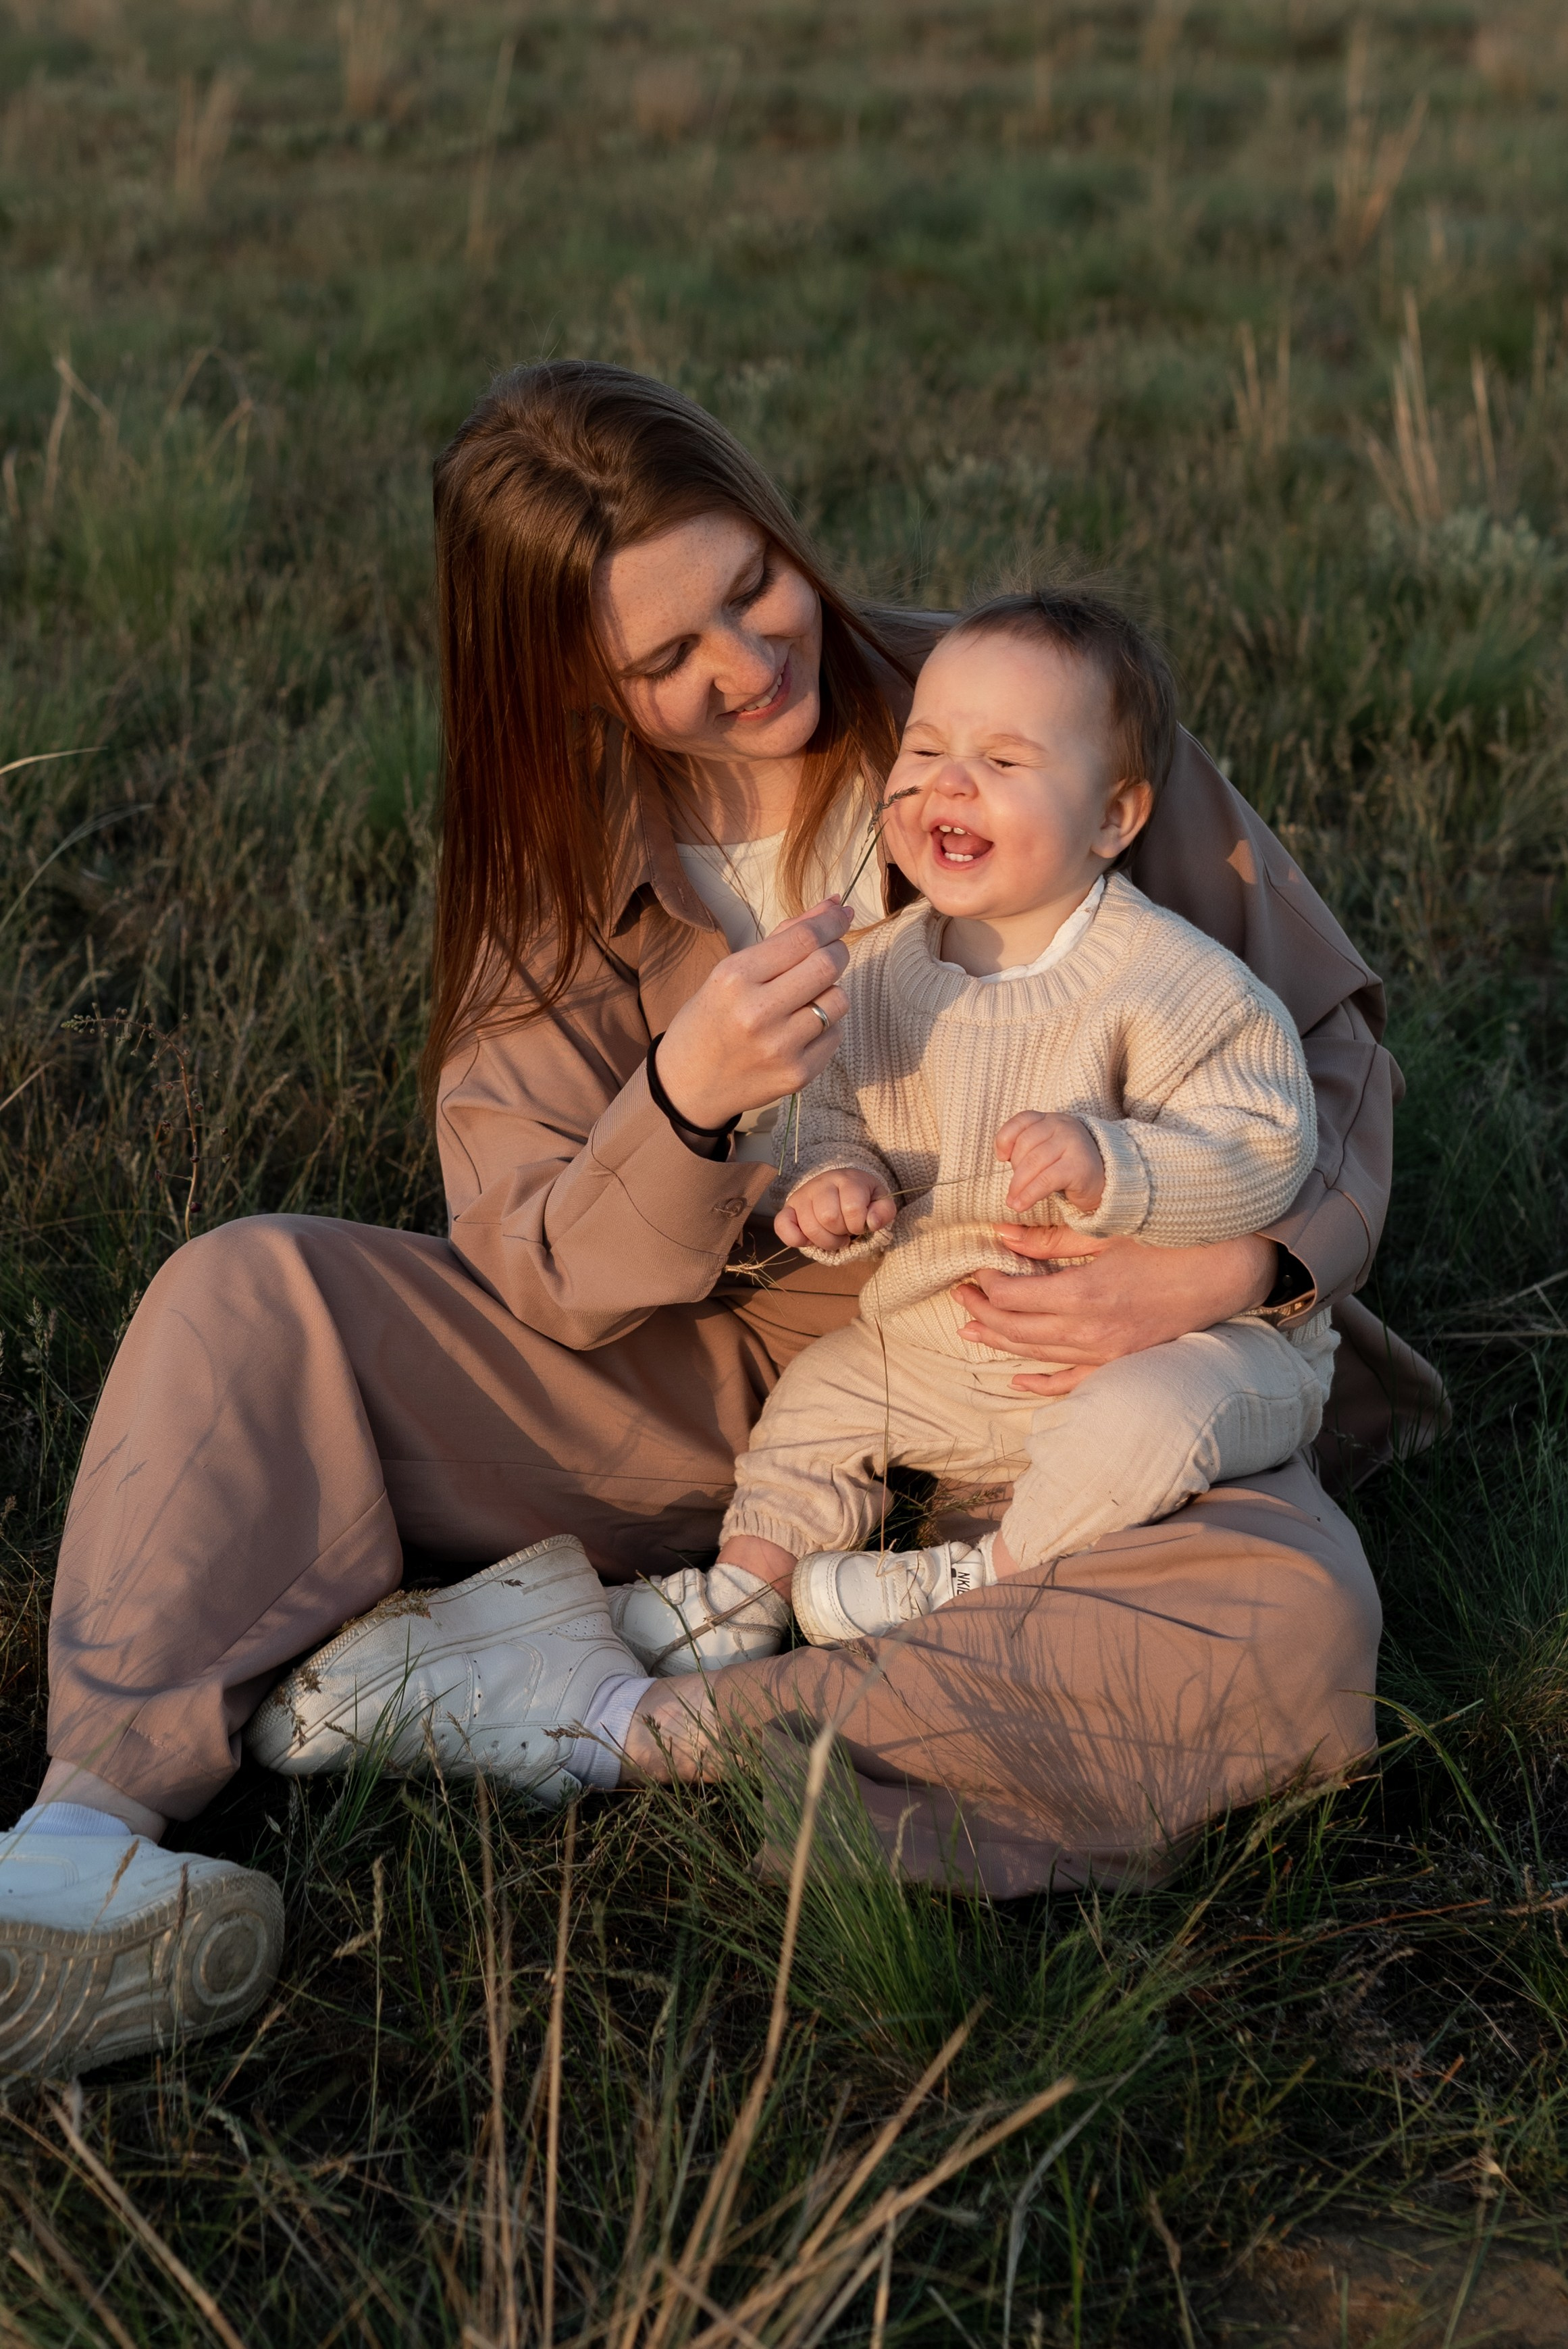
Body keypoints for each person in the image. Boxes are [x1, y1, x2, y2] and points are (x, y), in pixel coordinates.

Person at [0, 361, 1440, 2083]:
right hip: (715, 1389)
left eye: (756, 585)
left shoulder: (1019, 702)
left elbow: (1329, 1044)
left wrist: (1236, 1266)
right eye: (669, 656)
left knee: (1293, 1622)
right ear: (570, 681)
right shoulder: (553, 862)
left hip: (1087, 1376)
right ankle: (77, 1846)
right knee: (250, 1290)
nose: (751, 663)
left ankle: (610, 1713)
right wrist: (683, 1104)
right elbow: (534, 1257)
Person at [658, 586, 1340, 1660]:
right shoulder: (878, 975)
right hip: (955, 1343)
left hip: (1175, 1340)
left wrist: (1117, 1165)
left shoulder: (1175, 983)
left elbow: (1265, 1149)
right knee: (822, 1394)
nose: (949, 781)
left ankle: (981, 1579)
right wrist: (835, 1179)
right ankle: (741, 1592)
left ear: (1112, 818)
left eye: (1004, 760)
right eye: (925, 748)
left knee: (1144, 1421)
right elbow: (834, 1113)